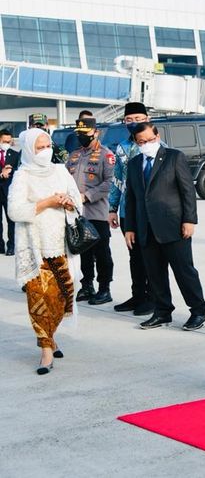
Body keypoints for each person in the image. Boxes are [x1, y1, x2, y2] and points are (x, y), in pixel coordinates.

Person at [7, 128, 83, 374]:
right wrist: (47, 203)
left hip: (61, 247)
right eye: (39, 148)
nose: (44, 151)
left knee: (61, 299)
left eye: (47, 146)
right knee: (39, 300)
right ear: (29, 149)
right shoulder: (22, 175)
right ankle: (46, 349)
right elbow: (15, 211)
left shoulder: (60, 171)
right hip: (35, 250)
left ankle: (51, 336)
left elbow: (77, 201)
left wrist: (68, 202)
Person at [124, 123, 205, 332]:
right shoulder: (134, 164)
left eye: (150, 140)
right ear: (136, 142)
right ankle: (162, 312)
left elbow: (187, 191)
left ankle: (198, 311)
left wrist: (190, 220)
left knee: (184, 271)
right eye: (141, 142)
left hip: (174, 225)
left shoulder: (174, 157)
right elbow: (132, 199)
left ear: (157, 136)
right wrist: (130, 228)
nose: (146, 145)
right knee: (155, 274)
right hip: (146, 228)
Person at [108, 103, 153, 316]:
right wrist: (112, 208)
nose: (133, 122)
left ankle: (153, 298)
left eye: (138, 118)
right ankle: (138, 296)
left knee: (150, 256)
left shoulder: (153, 144)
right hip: (128, 212)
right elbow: (117, 180)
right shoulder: (121, 148)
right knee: (134, 257)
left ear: (147, 118)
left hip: (150, 212)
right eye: (129, 119)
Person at [66, 118, 114, 306]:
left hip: (97, 213)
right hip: (77, 214)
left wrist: (86, 196)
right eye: (79, 134)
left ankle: (104, 288)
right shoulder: (75, 155)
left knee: (102, 253)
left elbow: (109, 183)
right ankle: (87, 286)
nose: (81, 137)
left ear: (96, 133)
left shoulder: (106, 155)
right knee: (83, 252)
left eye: (85, 134)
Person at [1, 129, 19, 255]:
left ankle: (11, 246)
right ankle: (0, 246)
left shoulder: (15, 154)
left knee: (11, 220)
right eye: (4, 141)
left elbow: (19, 173)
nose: (6, 143)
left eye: (9, 141)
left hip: (9, 192)